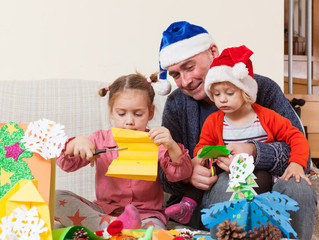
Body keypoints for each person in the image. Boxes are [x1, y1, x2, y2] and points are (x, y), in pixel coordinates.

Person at [157, 21, 317, 240]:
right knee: (228, 183)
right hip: (213, 194)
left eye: (190, 67)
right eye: (175, 74)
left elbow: (300, 153)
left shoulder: (263, 89)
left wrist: (254, 152)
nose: (185, 81)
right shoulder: (177, 104)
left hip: (270, 184)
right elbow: (164, 178)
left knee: (299, 187)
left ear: (213, 51)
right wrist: (188, 172)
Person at [55, 72, 193, 232]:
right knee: (55, 198)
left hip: (147, 216)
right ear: (111, 112)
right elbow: (66, 164)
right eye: (121, 114)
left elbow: (182, 174)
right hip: (105, 212)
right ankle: (112, 226)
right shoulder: (99, 139)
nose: (129, 121)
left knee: (156, 234)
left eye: (138, 114)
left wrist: (172, 146)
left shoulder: (155, 141)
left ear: (151, 112)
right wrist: (75, 144)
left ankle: (116, 231)